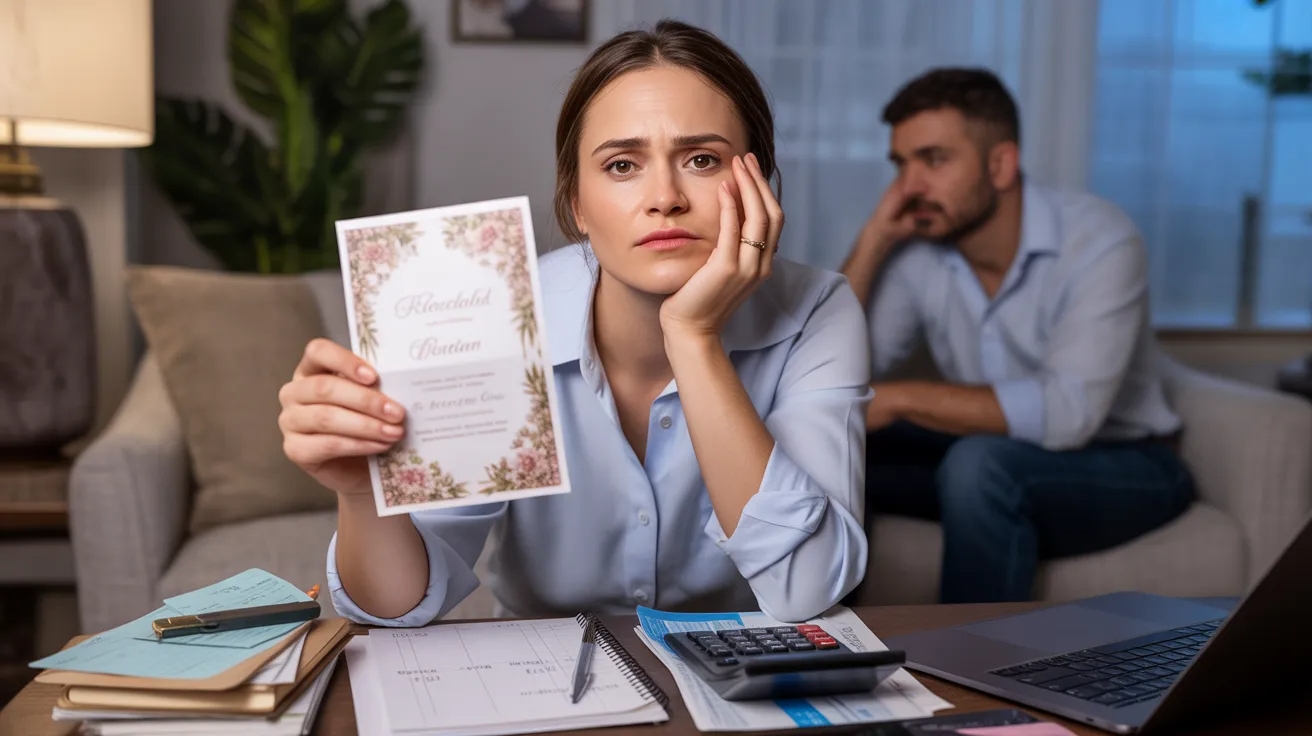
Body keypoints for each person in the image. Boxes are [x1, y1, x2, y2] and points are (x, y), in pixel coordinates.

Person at [278, 19, 871, 626]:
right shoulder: (494, 313)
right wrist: (361, 494)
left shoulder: (818, 311)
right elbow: (399, 607)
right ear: (576, 205)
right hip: (546, 683)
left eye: (701, 158)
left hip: (739, 679)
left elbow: (809, 590)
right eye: (621, 166)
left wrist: (694, 339)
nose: (664, 196)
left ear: (758, 186)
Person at [840, 67, 1194, 604]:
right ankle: (819, 649)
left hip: (1125, 464)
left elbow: (1069, 412)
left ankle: (963, 675)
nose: (908, 188)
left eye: (933, 160)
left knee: (976, 464)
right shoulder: (919, 255)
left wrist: (898, 399)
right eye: (901, 164)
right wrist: (873, 241)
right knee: (833, 443)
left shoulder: (1100, 240)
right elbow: (825, 363)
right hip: (992, 454)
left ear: (1001, 164)